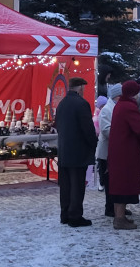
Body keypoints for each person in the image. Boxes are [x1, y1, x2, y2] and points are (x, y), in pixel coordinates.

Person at [54, 77, 97, 228]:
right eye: (83, 87)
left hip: (64, 150)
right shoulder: (81, 104)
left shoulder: (62, 104)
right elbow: (88, 129)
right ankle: (75, 216)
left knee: (65, 185)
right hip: (79, 151)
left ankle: (65, 214)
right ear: (80, 88)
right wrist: (93, 144)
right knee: (77, 185)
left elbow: (57, 125)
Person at [109, 79, 140, 230]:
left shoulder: (120, 105)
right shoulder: (129, 107)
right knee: (123, 186)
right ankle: (119, 219)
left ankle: (119, 217)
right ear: (133, 94)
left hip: (119, 152)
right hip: (126, 153)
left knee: (119, 184)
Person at [95, 83, 126, 218]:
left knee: (116, 182)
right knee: (109, 182)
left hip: (114, 151)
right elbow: (106, 130)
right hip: (106, 152)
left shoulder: (114, 107)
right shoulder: (107, 110)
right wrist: (123, 134)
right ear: (117, 96)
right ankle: (110, 208)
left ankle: (117, 207)